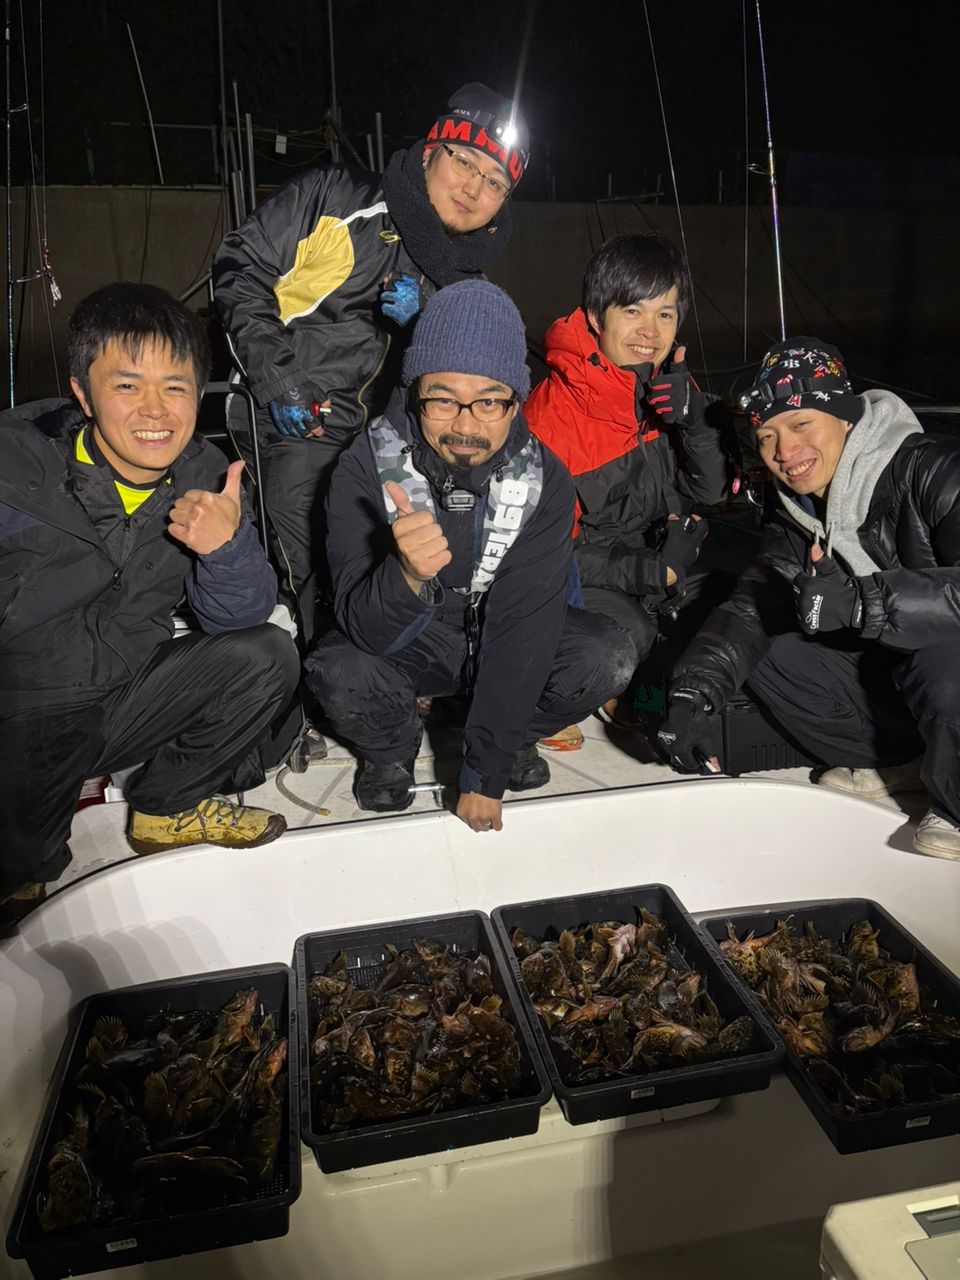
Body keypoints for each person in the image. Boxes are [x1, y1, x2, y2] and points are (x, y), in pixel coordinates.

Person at [0, 283, 299, 930]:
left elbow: (238, 617)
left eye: (176, 385)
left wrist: (224, 549)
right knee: (26, 888)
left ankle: (166, 806)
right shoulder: (13, 461)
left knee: (268, 654)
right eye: (128, 386)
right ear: (83, 393)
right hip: (21, 716)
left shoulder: (204, 472)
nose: (155, 410)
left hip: (120, 701)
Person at [303, 280, 636, 831]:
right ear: (414, 391)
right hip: (410, 640)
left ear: (516, 399)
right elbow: (365, 629)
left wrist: (485, 772)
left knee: (605, 654)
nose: (464, 425)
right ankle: (392, 747)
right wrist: (405, 576)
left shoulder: (545, 479)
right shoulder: (364, 466)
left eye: (488, 401)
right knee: (335, 667)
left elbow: (525, 625)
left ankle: (514, 735)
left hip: (497, 631)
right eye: (442, 399)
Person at [213, 82, 529, 645]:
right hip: (297, 419)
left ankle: (409, 666)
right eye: (466, 163)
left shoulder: (468, 278)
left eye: (495, 183)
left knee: (439, 540)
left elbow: (470, 393)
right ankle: (312, 684)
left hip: (393, 440)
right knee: (318, 560)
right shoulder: (341, 195)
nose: (474, 188)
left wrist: (424, 324)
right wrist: (280, 382)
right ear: (432, 151)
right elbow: (241, 268)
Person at [658, 336, 960, 861]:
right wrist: (693, 693)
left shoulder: (935, 469)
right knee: (766, 641)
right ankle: (910, 761)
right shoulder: (795, 512)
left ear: (846, 418)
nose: (785, 452)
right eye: (768, 435)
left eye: (802, 425)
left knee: (940, 657)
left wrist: (866, 603)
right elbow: (750, 608)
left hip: (943, 664)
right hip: (898, 684)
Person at [524, 233, 729, 737]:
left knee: (737, 600)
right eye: (633, 311)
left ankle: (649, 688)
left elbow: (710, 493)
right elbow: (534, 554)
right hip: (579, 578)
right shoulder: (550, 418)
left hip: (660, 563)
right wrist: (647, 571)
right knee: (629, 637)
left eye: (665, 313)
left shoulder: (669, 385)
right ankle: (552, 691)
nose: (650, 331)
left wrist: (696, 422)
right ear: (596, 316)